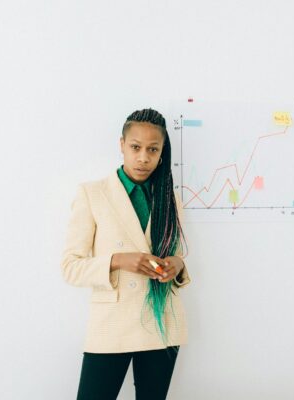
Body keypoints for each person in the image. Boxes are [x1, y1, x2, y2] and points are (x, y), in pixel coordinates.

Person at [61, 108, 191, 400]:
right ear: (122, 145)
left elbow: (179, 255)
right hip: (112, 324)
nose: (143, 157)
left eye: (153, 149)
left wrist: (176, 265)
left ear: (161, 152)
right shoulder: (92, 194)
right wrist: (120, 260)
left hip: (161, 324)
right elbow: (70, 266)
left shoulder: (169, 198)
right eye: (135, 147)